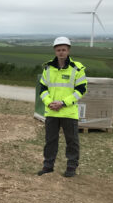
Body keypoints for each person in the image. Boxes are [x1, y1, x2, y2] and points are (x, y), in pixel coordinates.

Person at [37, 37, 87, 177]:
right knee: (50, 141)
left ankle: (71, 167)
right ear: (55, 51)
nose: (61, 52)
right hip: (52, 111)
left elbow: (81, 90)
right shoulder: (48, 68)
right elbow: (42, 89)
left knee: (72, 141)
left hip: (68, 112)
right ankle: (48, 166)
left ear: (68, 50)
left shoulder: (77, 68)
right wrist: (49, 102)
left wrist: (63, 103)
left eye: (63, 49)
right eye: (58, 50)